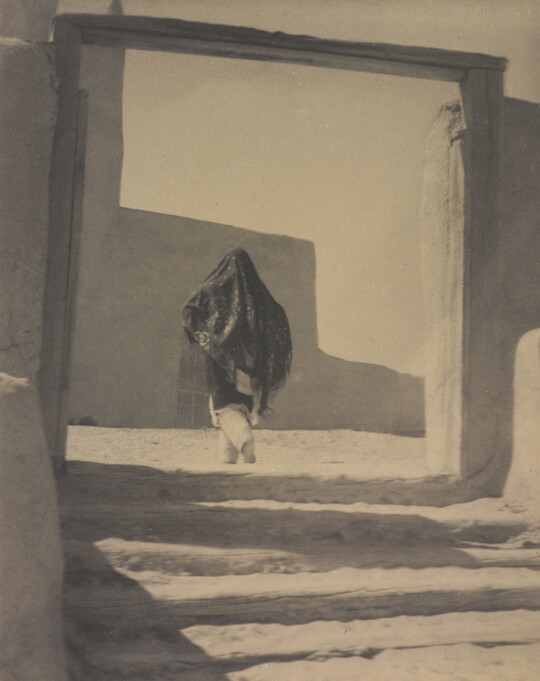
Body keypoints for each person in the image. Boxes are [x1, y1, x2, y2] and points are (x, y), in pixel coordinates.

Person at [183, 248, 292, 463]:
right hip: (249, 363)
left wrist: (208, 340)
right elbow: (277, 315)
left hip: (220, 360)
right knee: (241, 406)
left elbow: (189, 309)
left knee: (223, 407)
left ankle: (243, 440)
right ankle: (228, 458)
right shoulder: (258, 294)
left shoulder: (211, 289)